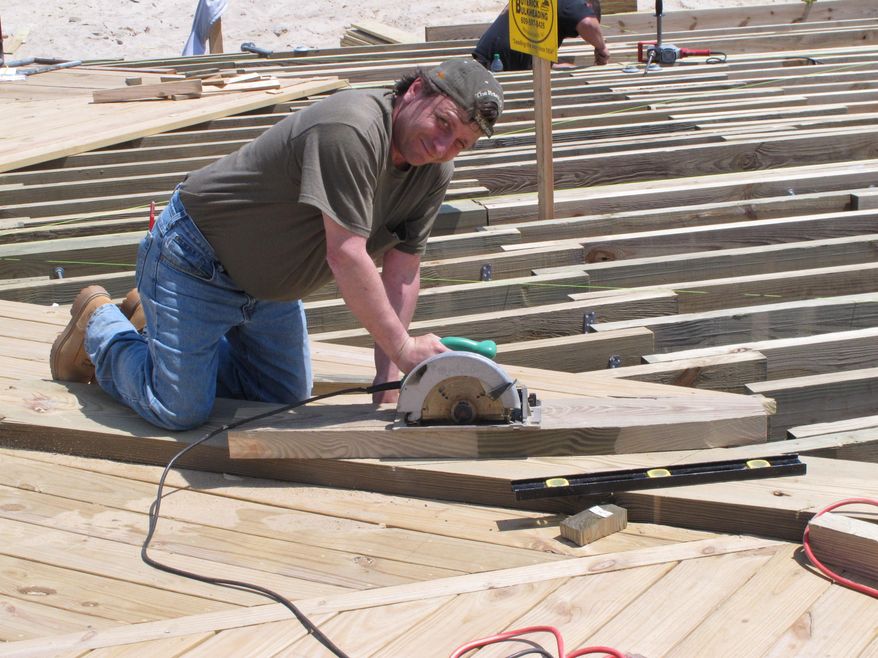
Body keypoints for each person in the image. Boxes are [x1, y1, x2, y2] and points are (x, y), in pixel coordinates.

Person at [50, 58, 504, 431]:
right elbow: (346, 254)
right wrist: (405, 350)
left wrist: (389, 385)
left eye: (461, 143)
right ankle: (102, 326)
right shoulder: (352, 129)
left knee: (281, 402)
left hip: (269, 292)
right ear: (415, 91)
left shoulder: (434, 172)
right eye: (442, 123)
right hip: (194, 260)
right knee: (179, 411)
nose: (444, 146)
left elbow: (402, 272)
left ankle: (162, 332)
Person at [473, 0, 609, 71]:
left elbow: (543, 66)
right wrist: (601, 47)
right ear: (588, 6)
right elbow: (588, 24)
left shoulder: (555, 8)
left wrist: (572, 67)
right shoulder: (574, 3)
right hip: (504, 65)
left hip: (487, 58)